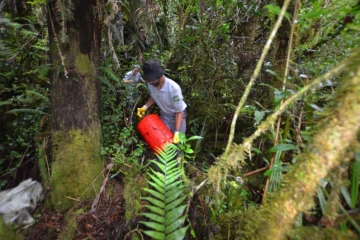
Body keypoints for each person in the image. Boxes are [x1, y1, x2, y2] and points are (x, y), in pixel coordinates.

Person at [137, 60, 187, 144]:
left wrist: (177, 131)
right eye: (149, 80)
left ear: (159, 76)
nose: (150, 82)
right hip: (165, 115)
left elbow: (179, 111)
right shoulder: (151, 84)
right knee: (163, 142)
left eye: (152, 80)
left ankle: (180, 156)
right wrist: (145, 107)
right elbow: (154, 96)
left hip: (178, 116)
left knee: (179, 143)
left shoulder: (173, 88)